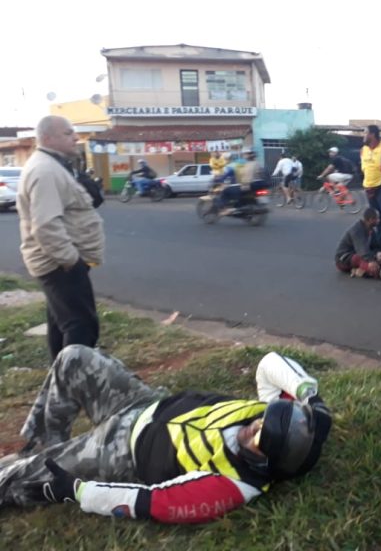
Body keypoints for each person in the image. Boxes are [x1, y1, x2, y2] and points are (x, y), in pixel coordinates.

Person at [0, 345, 332, 523]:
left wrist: (78, 490)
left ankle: (31, 465)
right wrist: (310, 398)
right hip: (143, 402)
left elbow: (152, 503)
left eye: (262, 439)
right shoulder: (275, 417)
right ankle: (44, 442)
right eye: (266, 419)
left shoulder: (235, 485)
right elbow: (270, 364)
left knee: (18, 476)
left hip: (120, 451)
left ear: (267, 466)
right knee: (73, 358)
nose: (256, 428)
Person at [16, 115, 105, 362]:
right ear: (48, 138)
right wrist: (71, 261)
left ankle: (61, 385)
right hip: (59, 264)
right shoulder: (45, 170)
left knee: (61, 324)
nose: (75, 137)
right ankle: (74, 390)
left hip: (60, 262)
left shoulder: (54, 165)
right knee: (81, 326)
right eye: (68, 133)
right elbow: (46, 225)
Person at [335, 208, 381, 280]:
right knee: (359, 258)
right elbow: (363, 252)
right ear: (370, 220)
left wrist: (379, 254)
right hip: (343, 259)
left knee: (378, 257)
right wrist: (372, 260)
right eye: (377, 218)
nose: (379, 220)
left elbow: (375, 246)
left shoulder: (371, 230)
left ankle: (358, 271)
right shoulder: (357, 231)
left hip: (358, 254)